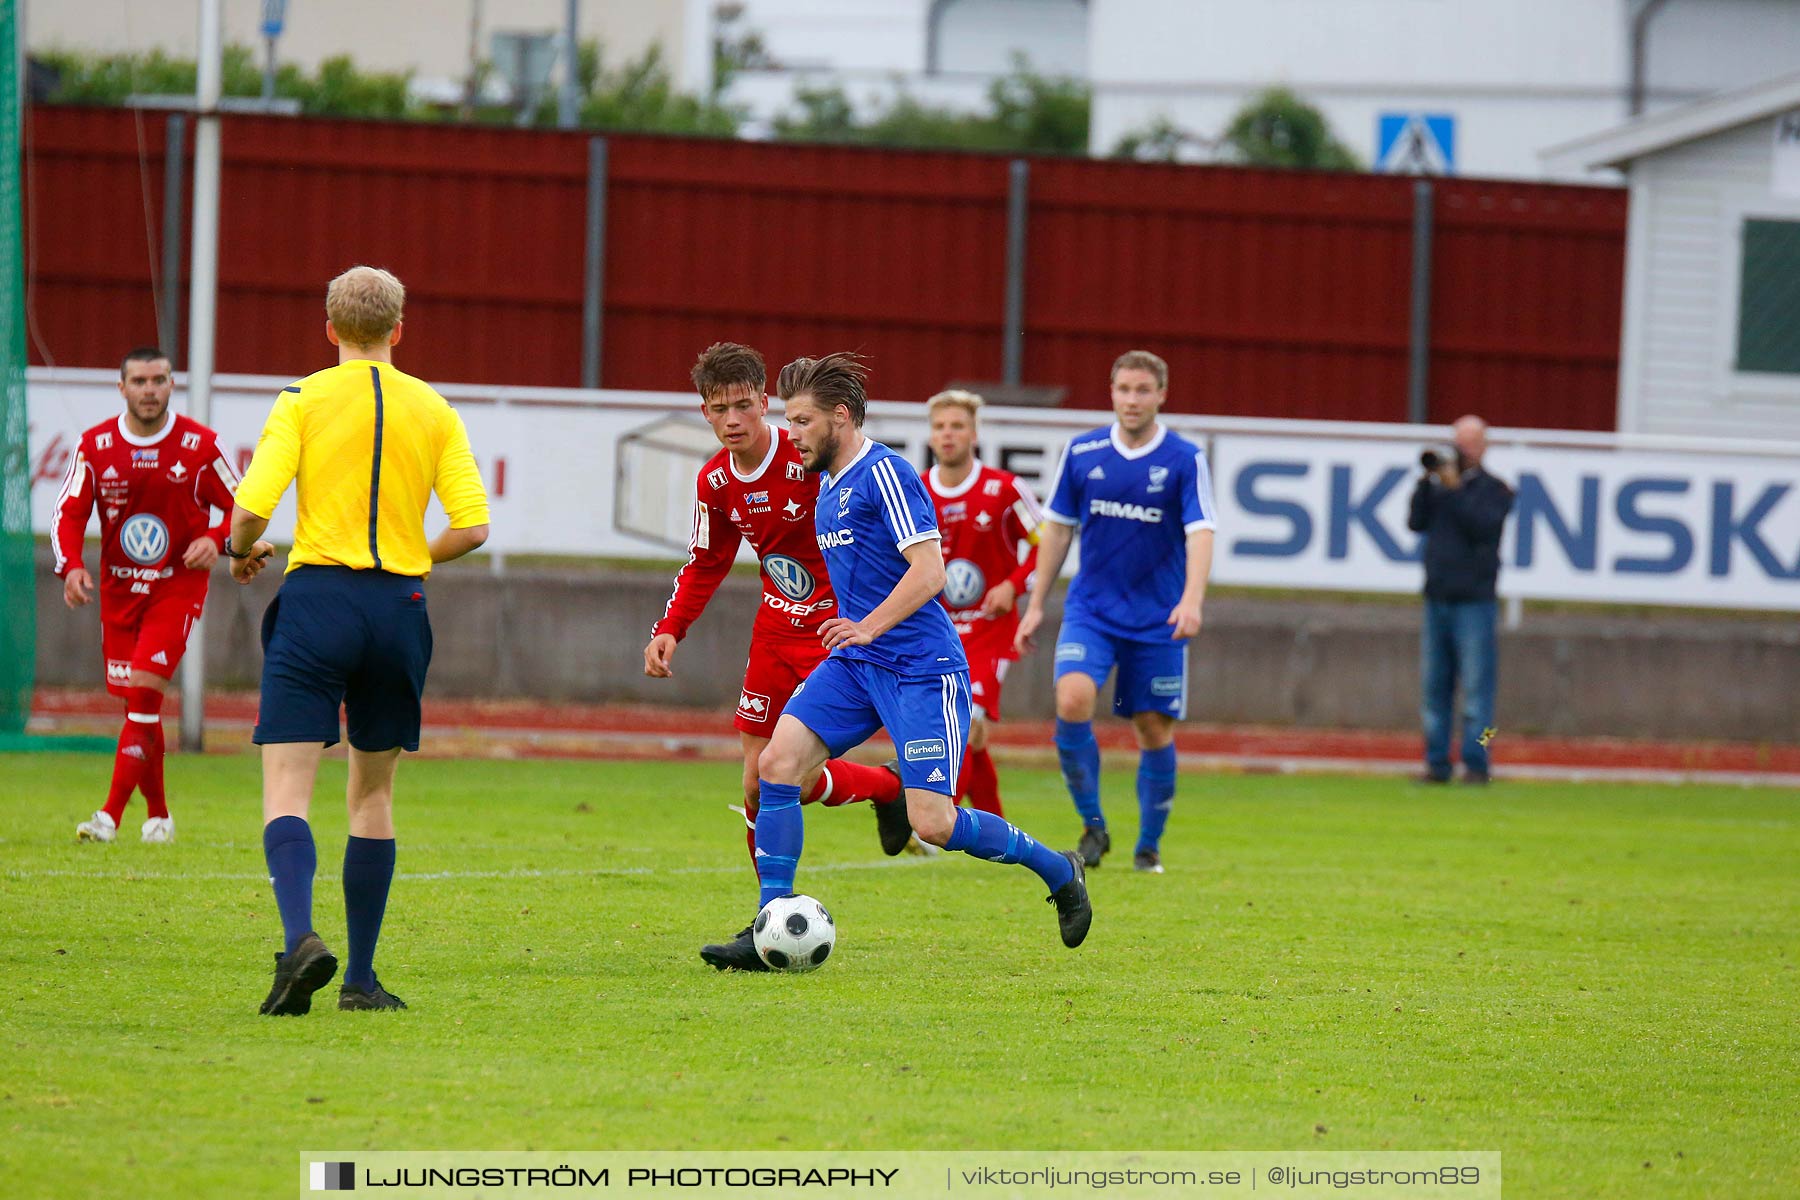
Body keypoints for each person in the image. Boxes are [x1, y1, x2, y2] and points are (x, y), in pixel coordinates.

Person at [699, 353, 1091, 971]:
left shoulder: (887, 473)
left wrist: (867, 626)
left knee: (932, 823)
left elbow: (930, 572)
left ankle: (1058, 870)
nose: (791, 434)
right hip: (857, 665)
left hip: (920, 669)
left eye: (801, 421)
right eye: (788, 420)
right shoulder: (827, 484)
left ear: (841, 416)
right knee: (775, 763)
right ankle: (768, 923)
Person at [227, 266, 490, 1015]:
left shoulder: (302, 399)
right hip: (397, 606)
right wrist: (409, 555)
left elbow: (251, 513)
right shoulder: (435, 409)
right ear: (399, 330)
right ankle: (362, 981)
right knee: (372, 798)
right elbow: (472, 526)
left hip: (318, 602)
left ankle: (300, 939)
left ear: (329, 327)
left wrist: (237, 548)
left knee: (287, 788)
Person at [645, 342, 909, 896]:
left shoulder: (809, 457)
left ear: (765, 401)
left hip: (833, 630)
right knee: (756, 782)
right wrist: (670, 628)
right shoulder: (715, 482)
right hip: (773, 630)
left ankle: (889, 789)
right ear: (704, 413)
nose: (733, 420)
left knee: (790, 770)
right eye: (720, 409)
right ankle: (773, 910)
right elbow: (705, 561)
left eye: (743, 404)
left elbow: (880, 517)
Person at [1015, 350, 1215, 875]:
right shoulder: (1083, 452)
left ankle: (1148, 845)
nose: (1132, 400)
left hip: (1156, 619)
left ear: (1161, 395)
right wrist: (1036, 604)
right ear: (1111, 391)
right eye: (1124, 389)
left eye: (1142, 390)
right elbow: (1058, 529)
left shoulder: (1184, 458)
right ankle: (1093, 825)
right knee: (1073, 698)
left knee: (1151, 728)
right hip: (1093, 611)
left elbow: (1201, 533)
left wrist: (1192, 599)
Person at [53, 347, 239, 844]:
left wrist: (215, 539)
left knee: (141, 698)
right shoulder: (95, 446)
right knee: (141, 708)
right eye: (139, 381)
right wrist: (71, 566)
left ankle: (107, 818)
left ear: (171, 384)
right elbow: (68, 514)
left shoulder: (200, 447)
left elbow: (244, 506)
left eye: (158, 380)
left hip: (175, 589)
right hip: (117, 590)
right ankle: (158, 816)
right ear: (122, 388)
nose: (150, 390)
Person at [920, 389, 1042, 818]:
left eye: (957, 425)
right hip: (937, 630)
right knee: (964, 734)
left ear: (973, 433)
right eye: (939, 426)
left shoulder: (1005, 489)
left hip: (990, 629)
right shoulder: (916, 491)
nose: (947, 434)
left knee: (967, 726)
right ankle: (998, 828)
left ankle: (933, 823)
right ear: (930, 436)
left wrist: (1013, 584)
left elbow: (1047, 543)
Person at [1406, 415, 1514, 785]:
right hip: (1438, 597)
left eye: (1471, 442)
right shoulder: (1439, 487)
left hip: (1475, 602)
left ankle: (1479, 759)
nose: (1463, 449)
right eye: (1459, 441)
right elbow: (1415, 522)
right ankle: (1436, 762)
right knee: (1434, 690)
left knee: (1478, 694)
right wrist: (1427, 484)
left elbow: (1483, 528)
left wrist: (1453, 491)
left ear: (1484, 446)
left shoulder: (1496, 490)